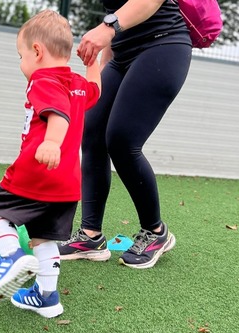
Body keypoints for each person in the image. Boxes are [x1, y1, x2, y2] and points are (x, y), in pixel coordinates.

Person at [0, 9, 101, 318]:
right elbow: (95, 92)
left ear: (37, 51)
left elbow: (57, 112)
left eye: (20, 56)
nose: (21, 64)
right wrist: (94, 64)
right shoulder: (76, 82)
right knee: (43, 238)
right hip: (68, 184)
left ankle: (10, 257)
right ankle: (47, 296)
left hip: (36, 171)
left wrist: (50, 142)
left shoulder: (42, 79)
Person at [58, 0, 192, 269]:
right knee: (93, 132)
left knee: (122, 140)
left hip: (163, 45)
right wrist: (107, 61)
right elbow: (115, 11)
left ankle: (155, 232)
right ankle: (90, 236)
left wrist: (107, 28)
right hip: (122, 55)